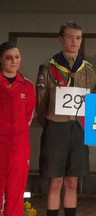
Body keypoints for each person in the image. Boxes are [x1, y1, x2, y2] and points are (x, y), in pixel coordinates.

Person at [36, 21, 96, 216]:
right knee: (56, 181)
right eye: (70, 37)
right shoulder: (48, 68)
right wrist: (51, 123)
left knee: (72, 181)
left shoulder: (88, 70)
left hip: (78, 128)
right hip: (56, 127)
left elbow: (92, 101)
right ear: (61, 39)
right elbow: (41, 103)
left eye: (78, 38)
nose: (74, 42)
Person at [0, 42, 36, 216]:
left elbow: (28, 116)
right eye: (9, 57)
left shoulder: (27, 86)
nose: (14, 61)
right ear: (1, 59)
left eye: (17, 57)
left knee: (15, 192)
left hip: (19, 146)